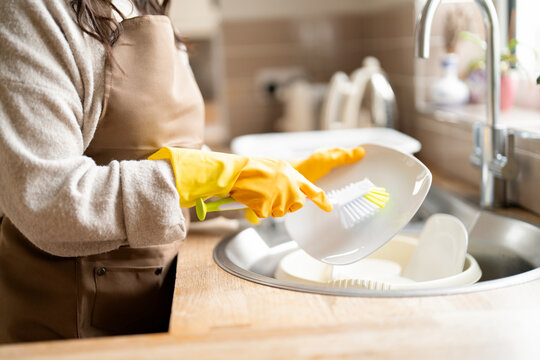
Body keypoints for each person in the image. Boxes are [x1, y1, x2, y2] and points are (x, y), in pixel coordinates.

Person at [0, 0, 365, 343]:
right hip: (73, 333)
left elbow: (171, 159)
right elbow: (46, 198)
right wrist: (210, 175)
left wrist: (251, 180)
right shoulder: (32, 12)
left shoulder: (145, 6)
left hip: (160, 301)